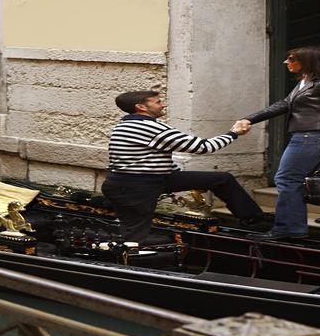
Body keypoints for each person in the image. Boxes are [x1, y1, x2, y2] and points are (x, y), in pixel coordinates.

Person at [236, 45, 320, 241]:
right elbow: (284, 104)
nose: (286, 62)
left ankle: (289, 229)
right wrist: (249, 119)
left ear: (309, 62)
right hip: (308, 137)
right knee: (317, 179)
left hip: (312, 137)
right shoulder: (306, 82)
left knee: (287, 180)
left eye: (291, 59)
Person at [101, 90, 266, 242]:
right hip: (135, 186)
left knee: (222, 179)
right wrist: (233, 133)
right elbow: (203, 147)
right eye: (158, 102)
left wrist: (188, 180)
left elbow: (147, 157)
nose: (163, 104)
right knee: (135, 235)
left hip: (153, 179)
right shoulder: (149, 127)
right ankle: (129, 264)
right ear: (141, 107)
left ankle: (253, 220)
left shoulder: (125, 125)